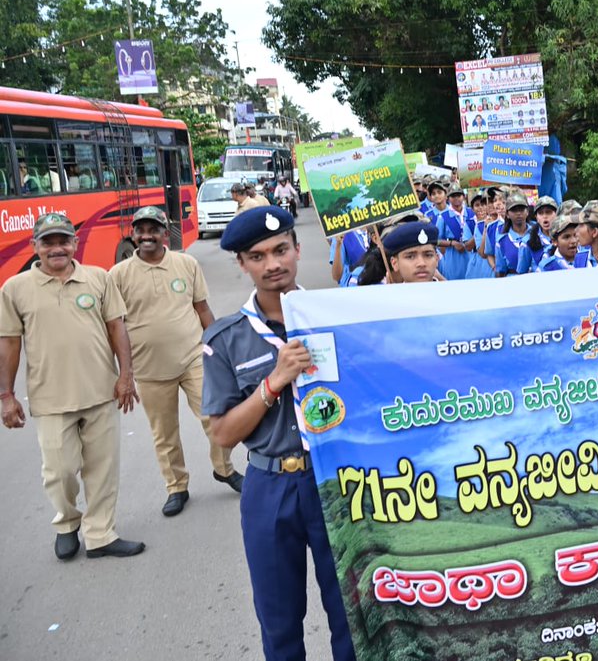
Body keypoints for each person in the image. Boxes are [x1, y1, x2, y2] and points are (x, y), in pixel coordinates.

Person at [201, 206, 355, 661]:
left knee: (351, 612)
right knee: (279, 619)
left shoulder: (337, 316)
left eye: (281, 250)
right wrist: (274, 381)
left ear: (297, 249)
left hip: (335, 482)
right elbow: (224, 434)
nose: (273, 264)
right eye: (258, 255)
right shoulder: (225, 338)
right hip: (270, 487)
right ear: (243, 264)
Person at [0, 212, 145, 560]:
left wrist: (126, 375)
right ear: (36, 247)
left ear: (75, 244)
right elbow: (8, 343)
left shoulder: (98, 278)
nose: (56, 249)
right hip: (50, 398)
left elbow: (117, 328)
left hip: (101, 392)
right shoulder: (15, 288)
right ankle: (67, 523)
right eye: (48, 242)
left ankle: (100, 534)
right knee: (60, 471)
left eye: (63, 241)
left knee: (103, 469)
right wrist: (6, 395)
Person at [109, 207, 242, 517]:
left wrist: (220, 352)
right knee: (164, 434)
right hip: (150, 369)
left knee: (216, 417)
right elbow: (114, 326)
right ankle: (176, 487)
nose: (146, 236)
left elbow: (203, 309)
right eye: (140, 229)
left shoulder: (186, 264)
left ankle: (224, 468)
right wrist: (123, 374)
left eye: (153, 229)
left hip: (194, 358)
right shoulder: (118, 275)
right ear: (132, 233)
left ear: (164, 233)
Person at [436, 185, 475, 280]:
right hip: (453, 257)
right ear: (448, 198)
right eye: (453, 196)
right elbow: (435, 240)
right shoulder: (444, 216)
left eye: (459, 195)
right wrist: (452, 243)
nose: (456, 198)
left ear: (464, 196)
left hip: (471, 254)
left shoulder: (472, 213)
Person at [495, 194, 540, 276]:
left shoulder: (538, 233)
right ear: (507, 214)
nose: (519, 213)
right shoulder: (501, 241)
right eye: (514, 210)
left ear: (527, 212)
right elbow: (500, 271)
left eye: (522, 209)